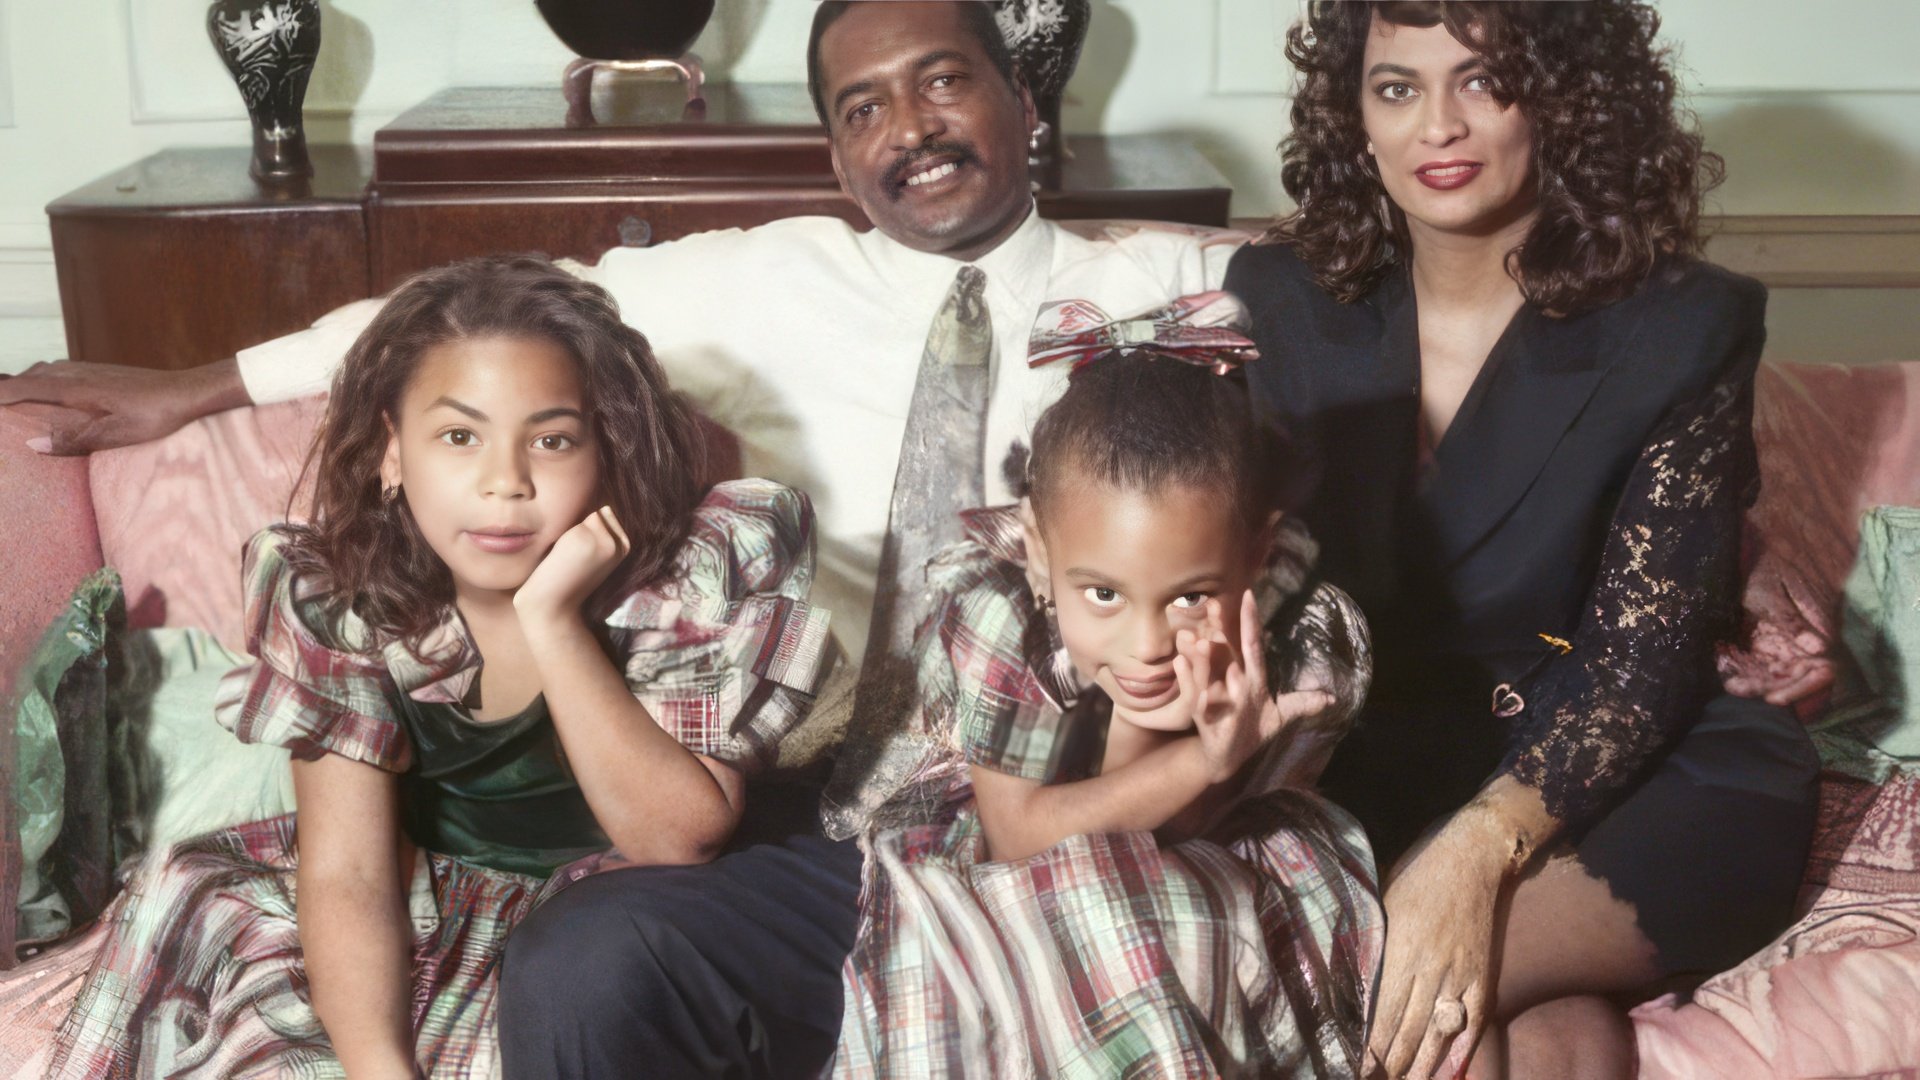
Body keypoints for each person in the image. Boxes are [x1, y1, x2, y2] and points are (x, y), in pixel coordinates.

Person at [2, 4, 1242, 1075]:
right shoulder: (774, 275)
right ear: (835, 147)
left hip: (1025, 765)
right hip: (807, 788)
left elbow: (1382, 312)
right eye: (863, 106)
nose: (907, 126)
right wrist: (200, 384)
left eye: (943, 80)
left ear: (1024, 98)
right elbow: (478, 316)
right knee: (600, 965)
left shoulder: (1169, 284)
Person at [44, 256, 832, 1078]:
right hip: (411, 909)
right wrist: (382, 1065)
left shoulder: (698, 562)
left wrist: (555, 622)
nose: (504, 484)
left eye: (552, 440)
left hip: (624, 919)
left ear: (606, 451)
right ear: (391, 454)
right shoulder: (334, 594)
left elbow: (679, 836)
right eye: (460, 437)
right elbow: (348, 873)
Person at [1223, 3, 1822, 1078]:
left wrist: (1476, 853)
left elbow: (1643, 665)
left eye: (1484, 81)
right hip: (1387, 767)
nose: (1437, 126)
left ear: (1562, 101)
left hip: (1643, 770)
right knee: (1533, 1030)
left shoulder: (1685, 324)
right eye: (1397, 87)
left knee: (1386, 985)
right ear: (1354, 114)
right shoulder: (1279, 302)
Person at [828, 304, 1383, 1078]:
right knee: (1087, 904)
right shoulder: (999, 611)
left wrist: (1196, 747)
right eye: (1102, 595)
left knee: (1168, 918)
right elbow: (1021, 837)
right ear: (1038, 550)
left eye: (1190, 595)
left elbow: (1178, 827)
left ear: (1255, 552)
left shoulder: (1286, 619)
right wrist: (1199, 757)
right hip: (1004, 843)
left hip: (1201, 846)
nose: (1148, 642)